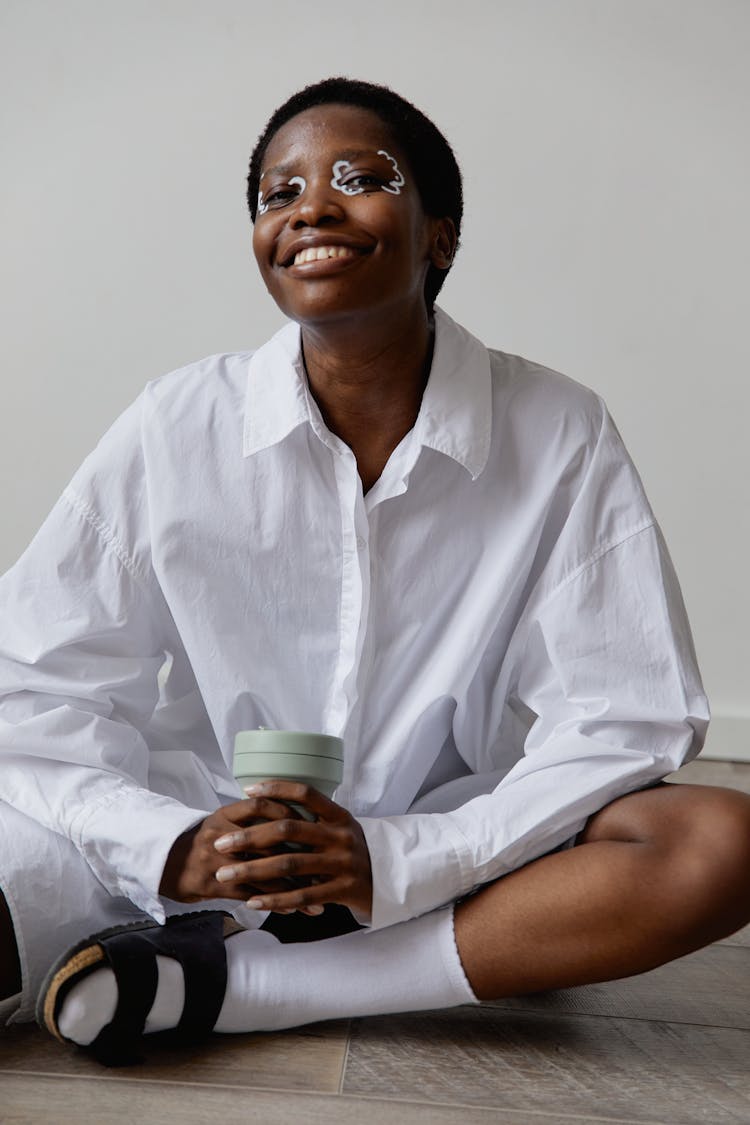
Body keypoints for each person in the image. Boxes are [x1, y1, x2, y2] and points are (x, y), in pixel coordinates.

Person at [1, 77, 749, 1065]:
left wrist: (397, 858)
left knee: (719, 845)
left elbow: (626, 713)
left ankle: (248, 989)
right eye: (279, 193)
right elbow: (32, 680)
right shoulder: (175, 424)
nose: (312, 204)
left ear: (439, 232)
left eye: (361, 177)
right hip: (186, 832)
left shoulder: (558, 429)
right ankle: (191, 940)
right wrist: (170, 846)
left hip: (452, 857)